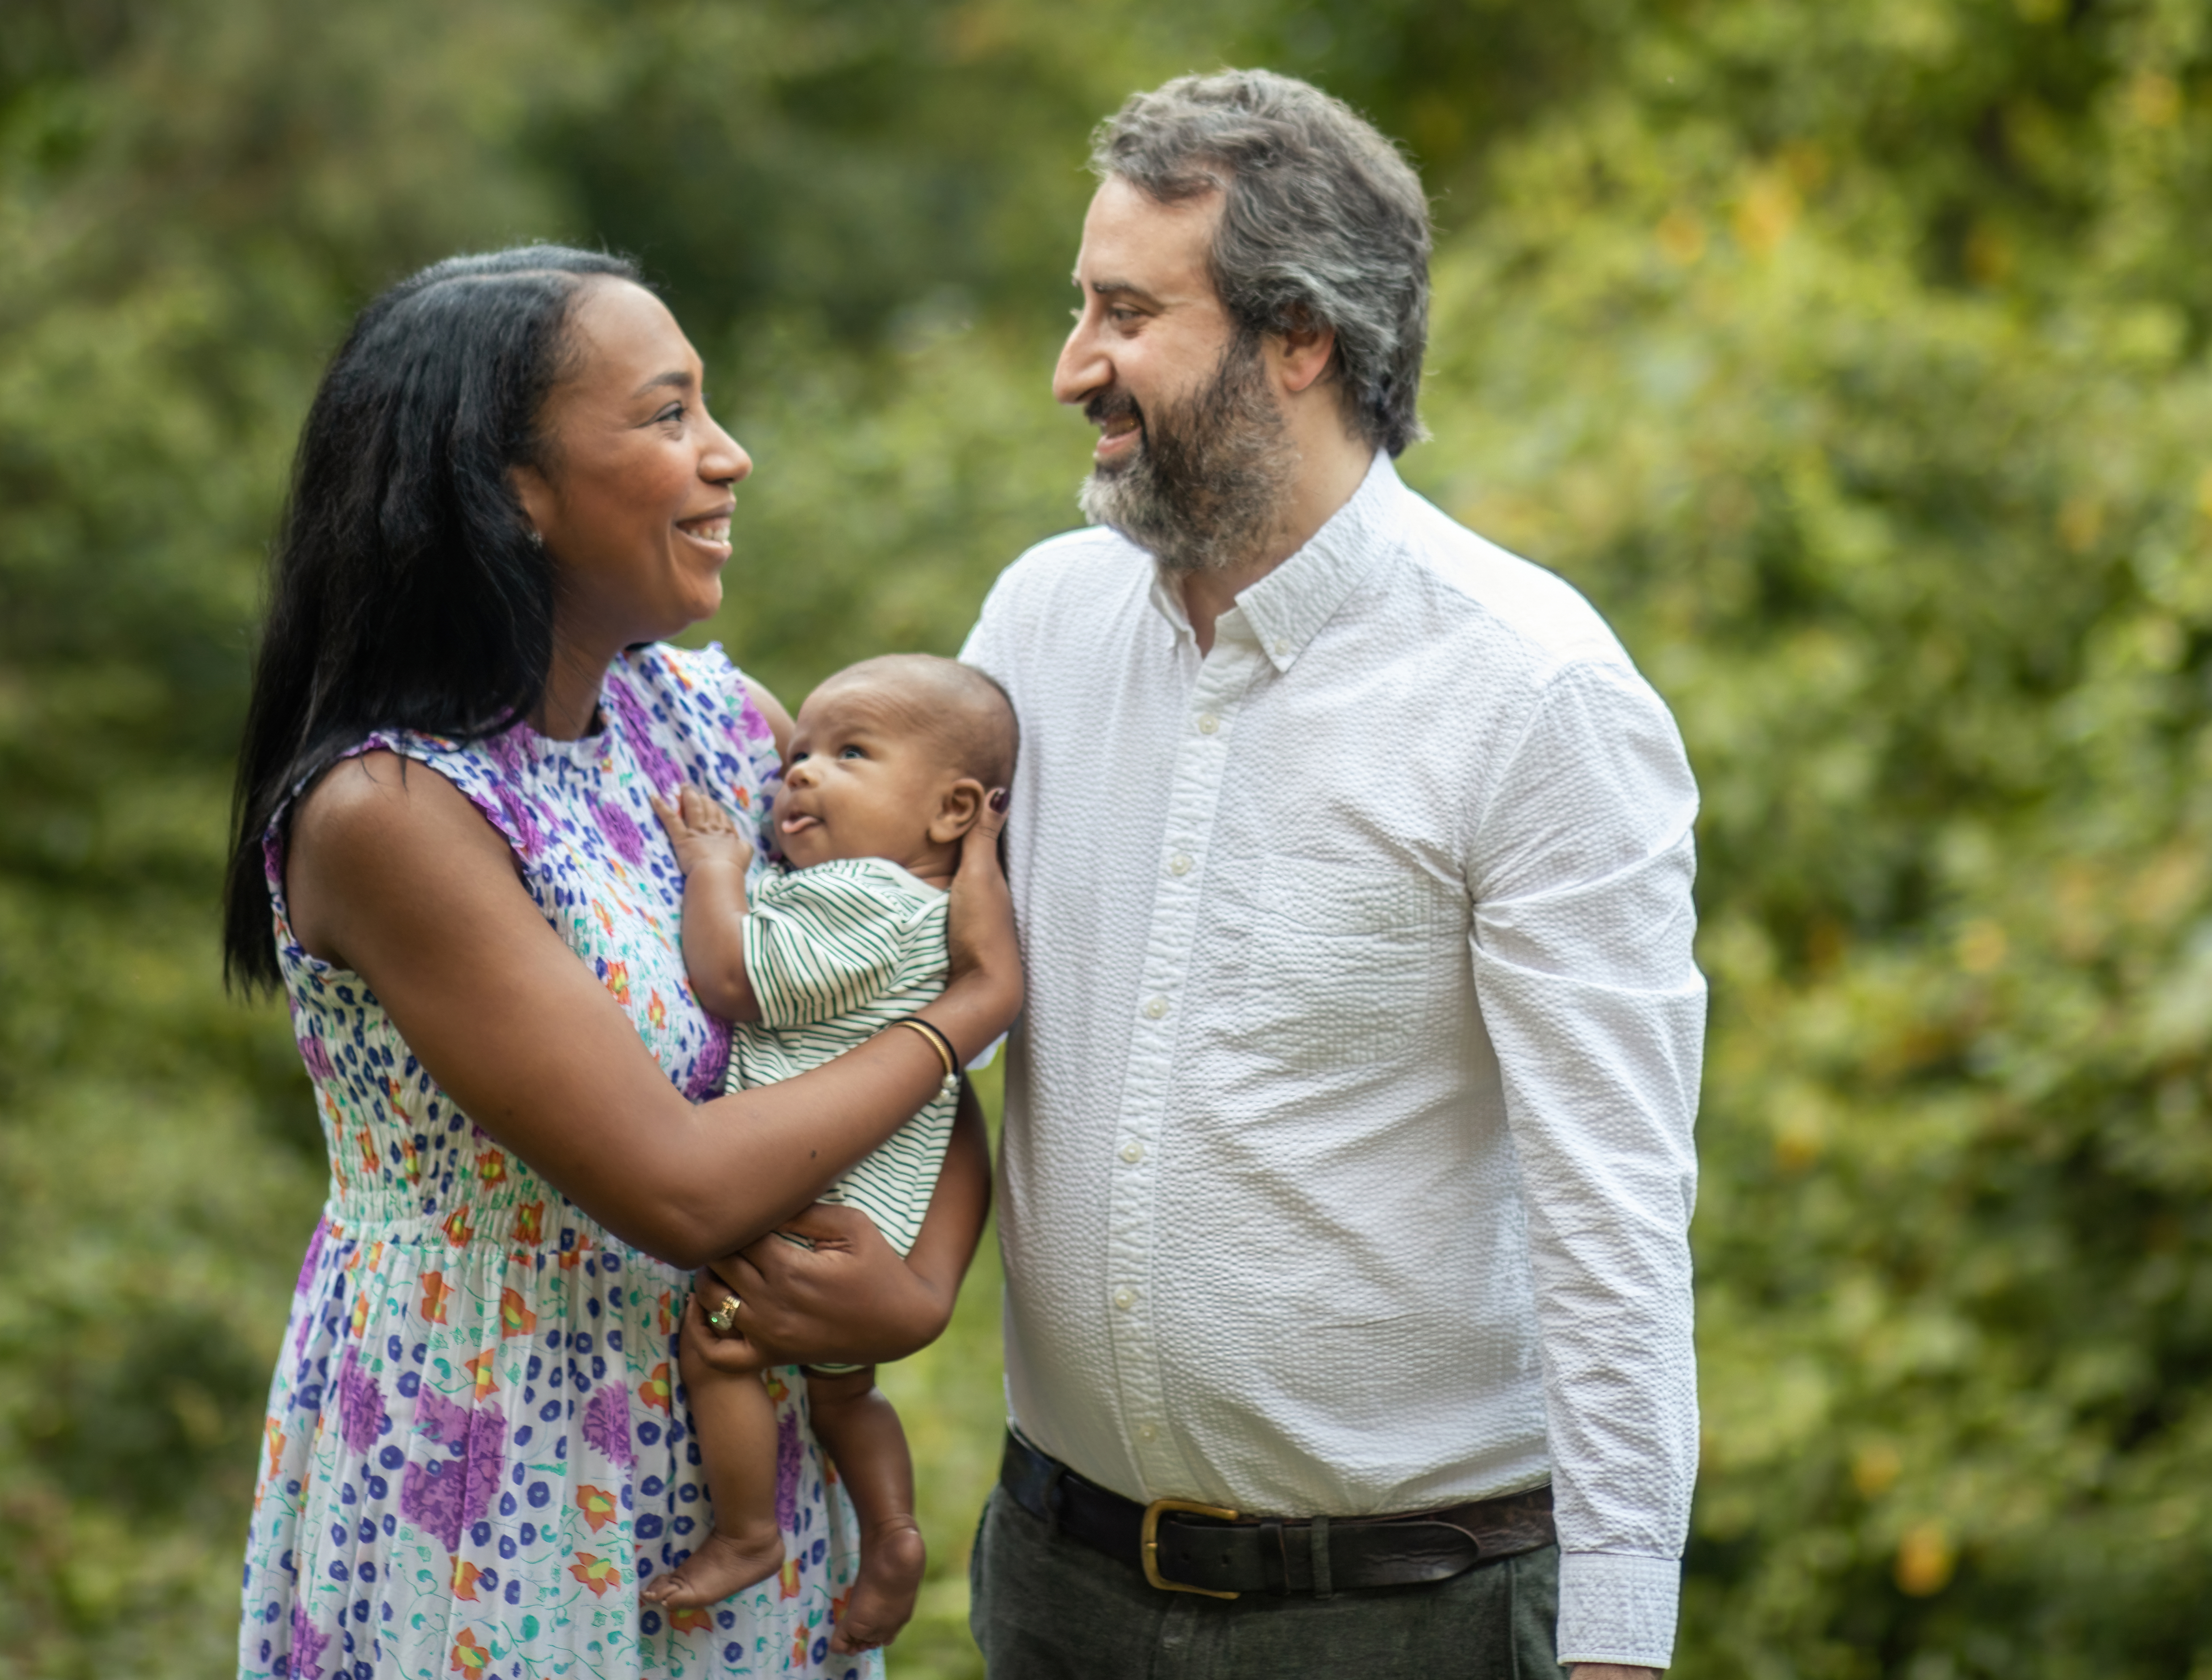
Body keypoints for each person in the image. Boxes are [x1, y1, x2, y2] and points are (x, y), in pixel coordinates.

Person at [958, 71, 1703, 1679]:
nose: (1069, 366)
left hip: (1406, 1619)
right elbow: (917, 999)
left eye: (1123, 313)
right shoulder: (1036, 623)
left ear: (1296, 339)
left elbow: (1614, 1209)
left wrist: (1623, 1645)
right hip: (1053, 1583)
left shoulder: (1536, 695)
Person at [221, 246, 1018, 1680]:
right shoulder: (395, 817)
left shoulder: (719, 729)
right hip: (487, 1468)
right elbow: (679, 1182)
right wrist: (974, 1013)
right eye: (667, 417)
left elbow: (870, 1045)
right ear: (510, 490)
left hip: (734, 1466)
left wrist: (924, 1281)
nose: (731, 456)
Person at [639, 654, 1020, 1649]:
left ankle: (748, 1530)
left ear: (952, 812)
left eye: (850, 753)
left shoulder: (866, 901)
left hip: (807, 1215)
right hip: (875, 1231)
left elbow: (731, 976)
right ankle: (891, 1530)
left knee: (720, 1350)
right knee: (845, 1390)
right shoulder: (928, 914)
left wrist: (717, 871)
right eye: (799, 751)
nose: (798, 773)